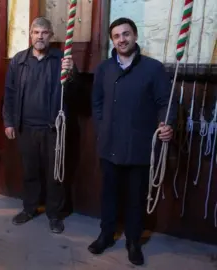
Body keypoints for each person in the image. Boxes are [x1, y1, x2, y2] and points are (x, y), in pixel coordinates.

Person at [89, 17, 175, 266]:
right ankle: (106, 235)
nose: (122, 39)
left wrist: (166, 124)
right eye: (116, 36)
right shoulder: (104, 68)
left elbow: (165, 103)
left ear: (135, 36)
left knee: (136, 197)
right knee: (108, 195)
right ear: (112, 41)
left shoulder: (153, 68)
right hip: (109, 144)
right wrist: (101, 126)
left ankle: (133, 242)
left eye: (126, 34)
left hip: (140, 146)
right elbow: (96, 102)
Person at [2, 17, 79, 233]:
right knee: (30, 171)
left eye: (44, 32)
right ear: (30, 34)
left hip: (52, 128)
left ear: (51, 36)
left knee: (55, 174)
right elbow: (9, 92)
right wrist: (8, 121)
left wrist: (72, 73)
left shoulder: (62, 60)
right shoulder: (19, 61)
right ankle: (29, 209)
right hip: (26, 127)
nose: (40, 36)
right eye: (36, 32)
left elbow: (75, 92)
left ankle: (54, 214)